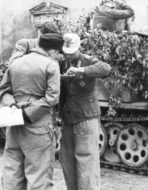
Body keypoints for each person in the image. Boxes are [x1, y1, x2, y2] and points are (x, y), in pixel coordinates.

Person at [0, 33, 64, 190]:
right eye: (58, 53)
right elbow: (52, 98)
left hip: (14, 124)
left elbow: (3, 91)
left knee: (12, 174)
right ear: (53, 51)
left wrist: (14, 107)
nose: (59, 56)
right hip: (38, 126)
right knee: (39, 176)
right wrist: (27, 114)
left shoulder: (16, 63)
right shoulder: (51, 64)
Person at [59, 33, 111, 190]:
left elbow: (105, 68)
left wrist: (82, 70)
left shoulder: (88, 60)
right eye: (66, 53)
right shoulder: (61, 62)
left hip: (86, 116)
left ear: (79, 47)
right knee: (67, 160)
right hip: (68, 118)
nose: (68, 56)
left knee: (87, 159)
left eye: (72, 53)